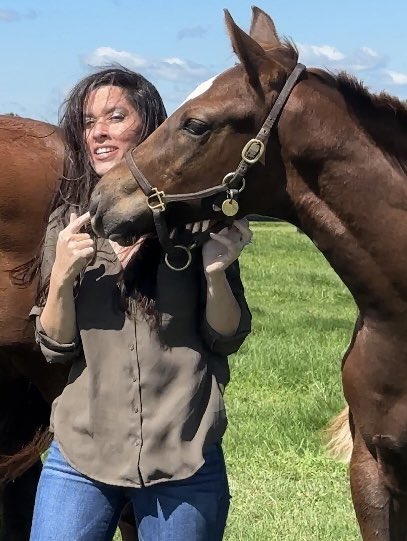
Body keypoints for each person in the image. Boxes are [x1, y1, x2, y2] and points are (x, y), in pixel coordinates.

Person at [29, 66, 253, 541]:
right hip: (82, 453)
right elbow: (55, 344)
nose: (100, 133)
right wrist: (65, 275)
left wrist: (215, 274)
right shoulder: (66, 227)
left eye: (115, 116)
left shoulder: (197, 226)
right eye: (89, 122)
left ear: (149, 126)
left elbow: (226, 336)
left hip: (183, 455)